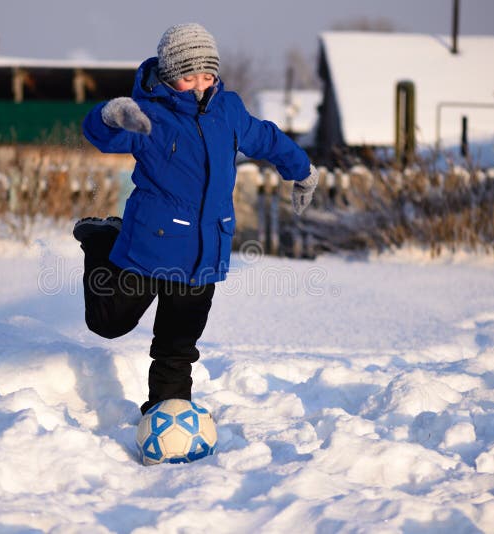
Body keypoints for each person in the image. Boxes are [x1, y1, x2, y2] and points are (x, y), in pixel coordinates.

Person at [76, 23, 319, 415]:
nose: (201, 84)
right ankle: (102, 240)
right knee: (108, 323)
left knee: (178, 346)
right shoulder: (149, 117)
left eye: (207, 75)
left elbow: (268, 138)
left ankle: (166, 416)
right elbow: (103, 135)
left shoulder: (230, 111)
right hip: (149, 246)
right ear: (170, 76)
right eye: (189, 76)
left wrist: (302, 169)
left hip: (205, 252)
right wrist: (109, 116)